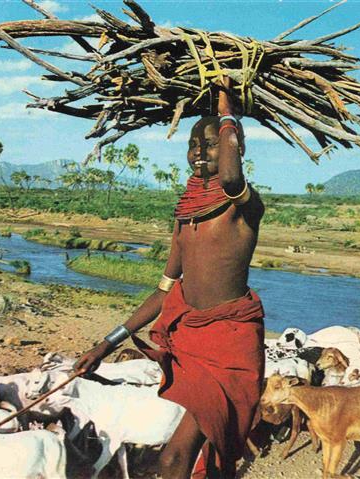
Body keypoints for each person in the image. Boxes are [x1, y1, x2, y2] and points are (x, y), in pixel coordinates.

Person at [74, 77, 265, 479]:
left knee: (173, 459)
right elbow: (164, 292)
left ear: (235, 145)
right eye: (193, 145)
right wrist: (105, 345)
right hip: (191, 343)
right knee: (196, 458)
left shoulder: (244, 207)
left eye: (210, 144)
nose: (199, 152)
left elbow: (231, 179)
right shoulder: (185, 218)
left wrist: (227, 108)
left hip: (229, 345)